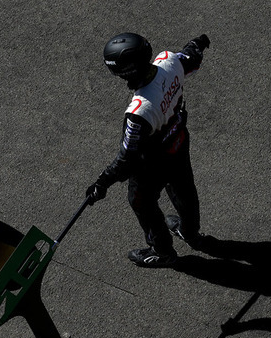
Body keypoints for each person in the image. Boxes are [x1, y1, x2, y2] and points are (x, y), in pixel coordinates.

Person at [86, 32, 210, 267]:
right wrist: (198, 43)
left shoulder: (139, 112)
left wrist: (102, 183)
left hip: (152, 164)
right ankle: (190, 232)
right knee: (183, 187)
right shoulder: (168, 60)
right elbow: (191, 57)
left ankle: (162, 251)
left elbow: (127, 158)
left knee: (141, 201)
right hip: (179, 143)